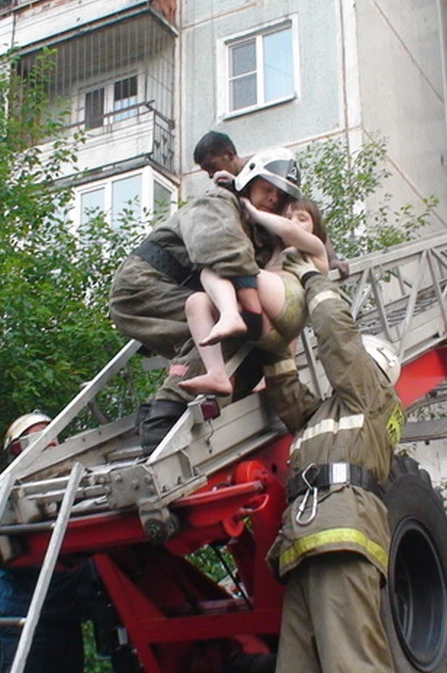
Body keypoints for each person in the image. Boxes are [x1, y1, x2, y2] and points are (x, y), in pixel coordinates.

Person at [260, 253, 404, 673]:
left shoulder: (372, 396)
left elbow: (338, 340)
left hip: (343, 536)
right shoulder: (330, 416)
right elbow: (287, 395)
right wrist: (271, 336)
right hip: (305, 543)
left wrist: (311, 278)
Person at [108, 148, 302, 453]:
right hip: (145, 286)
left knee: (246, 346)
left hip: (172, 288)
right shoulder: (219, 203)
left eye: (280, 196)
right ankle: (164, 421)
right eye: (268, 189)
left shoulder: (258, 232)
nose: (273, 199)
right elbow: (217, 245)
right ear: (249, 181)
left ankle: (166, 411)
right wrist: (251, 304)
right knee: (228, 330)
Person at [0, 413, 137, 673]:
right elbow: (6, 557)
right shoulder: (9, 498)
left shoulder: (76, 490)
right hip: (26, 622)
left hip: (65, 620)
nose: (52, 445)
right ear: (19, 451)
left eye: (54, 438)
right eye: (41, 440)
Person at [178, 195, 329, 397]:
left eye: (302, 218)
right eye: (288, 216)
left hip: (291, 301)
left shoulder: (315, 248)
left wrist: (256, 212)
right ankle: (216, 373)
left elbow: (287, 229)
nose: (293, 222)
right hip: (271, 328)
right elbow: (289, 334)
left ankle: (230, 314)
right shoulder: (273, 252)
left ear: (316, 226)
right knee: (197, 301)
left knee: (232, 267)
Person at [194, 131, 350, 279]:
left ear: (229, 155)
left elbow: (309, 214)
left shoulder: (264, 168)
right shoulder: (229, 185)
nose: (210, 175)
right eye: (206, 170)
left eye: (212, 167)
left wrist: (332, 258)